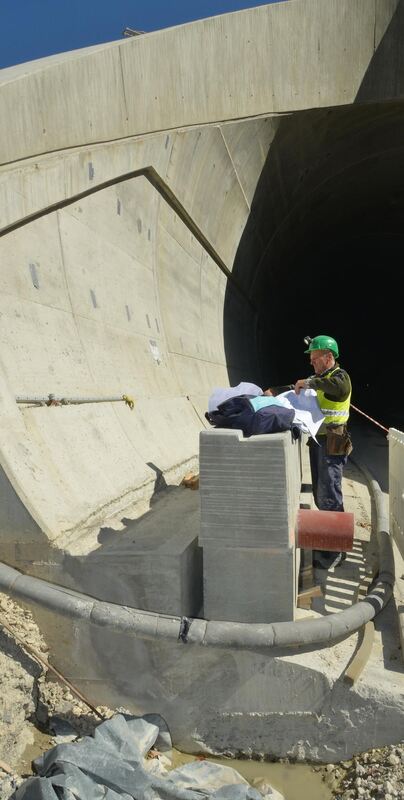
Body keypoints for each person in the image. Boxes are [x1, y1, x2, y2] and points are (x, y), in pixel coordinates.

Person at [295, 335, 352, 569]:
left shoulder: (339, 377)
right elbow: (298, 389)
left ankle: (337, 551)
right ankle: (328, 540)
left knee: (331, 494)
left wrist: (309, 383)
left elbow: (338, 388)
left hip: (334, 442)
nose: (311, 363)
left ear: (329, 357)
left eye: (315, 358)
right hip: (320, 442)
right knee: (321, 494)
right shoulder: (318, 378)